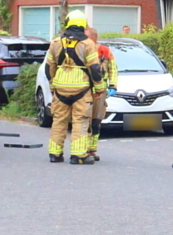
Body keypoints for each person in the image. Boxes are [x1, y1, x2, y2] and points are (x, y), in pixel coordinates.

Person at [45, 11, 103, 165]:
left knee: (59, 120)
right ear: (83, 25)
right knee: (81, 121)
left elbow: (48, 67)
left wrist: (52, 85)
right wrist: (99, 88)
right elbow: (95, 69)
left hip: (60, 89)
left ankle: (55, 154)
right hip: (81, 89)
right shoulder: (88, 44)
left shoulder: (56, 42)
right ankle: (78, 155)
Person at [85, 27, 118, 162]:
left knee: (96, 120)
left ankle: (93, 149)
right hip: (85, 89)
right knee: (84, 120)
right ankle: (84, 149)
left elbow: (113, 68)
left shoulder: (105, 51)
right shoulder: (82, 50)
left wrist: (113, 85)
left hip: (100, 90)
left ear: (92, 38)